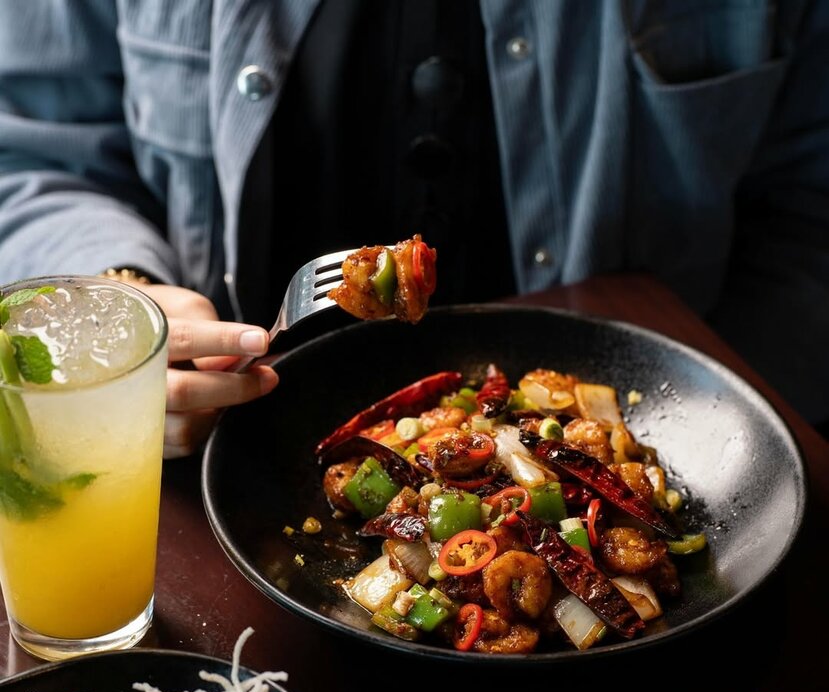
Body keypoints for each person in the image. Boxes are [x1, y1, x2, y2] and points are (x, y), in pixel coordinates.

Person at [0, 0, 827, 456]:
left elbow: (808, 209)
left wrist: (712, 444)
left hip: (670, 442)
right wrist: (124, 312)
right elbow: (31, 151)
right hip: (203, 481)